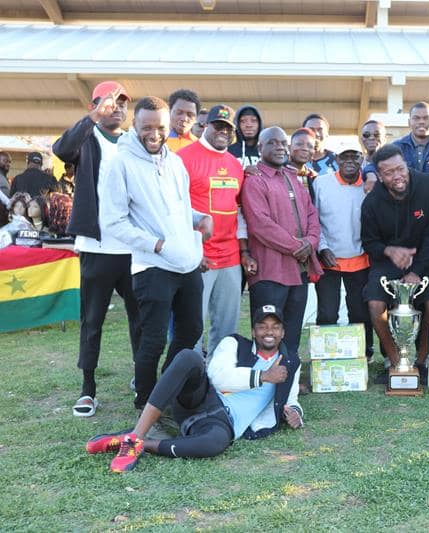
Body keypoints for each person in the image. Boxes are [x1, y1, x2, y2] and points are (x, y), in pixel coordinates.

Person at [85, 304, 303, 473]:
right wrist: (263, 376)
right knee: (189, 357)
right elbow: (217, 377)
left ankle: (142, 444)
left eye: (275, 327)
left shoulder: (290, 362)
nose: (269, 331)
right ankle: (136, 436)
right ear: (254, 331)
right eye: (262, 326)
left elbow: (291, 399)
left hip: (224, 423)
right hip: (203, 398)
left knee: (215, 444)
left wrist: (294, 413)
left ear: (283, 332)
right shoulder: (234, 343)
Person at [98, 95, 213, 410]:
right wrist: (156, 244)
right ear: (134, 125)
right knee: (154, 338)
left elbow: (179, 209)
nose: (154, 133)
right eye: (146, 127)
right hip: (152, 266)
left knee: (192, 330)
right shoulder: (121, 163)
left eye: (160, 127)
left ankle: (166, 389)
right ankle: (145, 402)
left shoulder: (174, 162)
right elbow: (112, 222)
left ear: (168, 125)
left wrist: (200, 218)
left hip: (186, 263)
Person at [52, 80, 141, 418]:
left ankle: (142, 376)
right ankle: (88, 389)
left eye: (122, 103)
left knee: (140, 318)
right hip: (96, 245)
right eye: (110, 103)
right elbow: (62, 149)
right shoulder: (86, 138)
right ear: (95, 106)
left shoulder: (134, 141)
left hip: (133, 247)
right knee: (92, 320)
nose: (117, 108)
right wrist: (92, 117)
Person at [361, 144, 429, 382]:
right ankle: (396, 361)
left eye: (400, 169)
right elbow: (369, 243)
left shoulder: (428, 186)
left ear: (406, 166)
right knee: (375, 304)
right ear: (379, 176)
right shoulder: (371, 202)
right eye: (389, 173)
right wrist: (389, 250)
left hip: (425, 257)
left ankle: (421, 361)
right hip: (388, 260)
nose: (397, 176)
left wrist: (417, 270)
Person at [241, 126, 323, 360]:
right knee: (267, 332)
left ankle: (289, 374)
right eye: (272, 143)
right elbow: (260, 224)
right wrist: (298, 247)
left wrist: (311, 242)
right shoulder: (254, 180)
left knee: (292, 330)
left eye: (282, 143)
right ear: (260, 148)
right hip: (270, 271)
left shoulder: (293, 177)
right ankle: (265, 376)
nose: (279, 147)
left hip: (299, 270)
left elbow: (311, 214)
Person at [177, 104, 246, 356]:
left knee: (227, 325)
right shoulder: (183, 158)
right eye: (218, 126)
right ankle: (192, 373)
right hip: (198, 256)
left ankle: (218, 371)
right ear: (205, 125)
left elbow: (239, 209)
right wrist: (192, 251)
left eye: (228, 128)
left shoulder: (235, 164)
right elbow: (174, 208)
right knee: (193, 324)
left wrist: (243, 251)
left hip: (230, 257)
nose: (223, 132)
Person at [313, 141, 374, 362]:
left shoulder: (369, 185)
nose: (349, 161)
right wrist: (322, 247)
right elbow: (313, 221)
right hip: (328, 258)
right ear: (336, 159)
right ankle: (324, 355)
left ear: (362, 159)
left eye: (354, 156)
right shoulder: (321, 183)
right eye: (344, 156)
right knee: (327, 312)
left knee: (360, 312)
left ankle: (364, 354)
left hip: (360, 259)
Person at [287, 128, 319, 201]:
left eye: (310, 146)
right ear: (289, 147)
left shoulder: (314, 177)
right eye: (299, 144)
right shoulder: (278, 174)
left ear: (313, 151)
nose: (305, 148)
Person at [229, 105, 263, 169]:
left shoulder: (267, 151)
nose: (249, 125)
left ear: (259, 124)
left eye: (253, 121)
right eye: (243, 121)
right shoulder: (229, 152)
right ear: (237, 125)